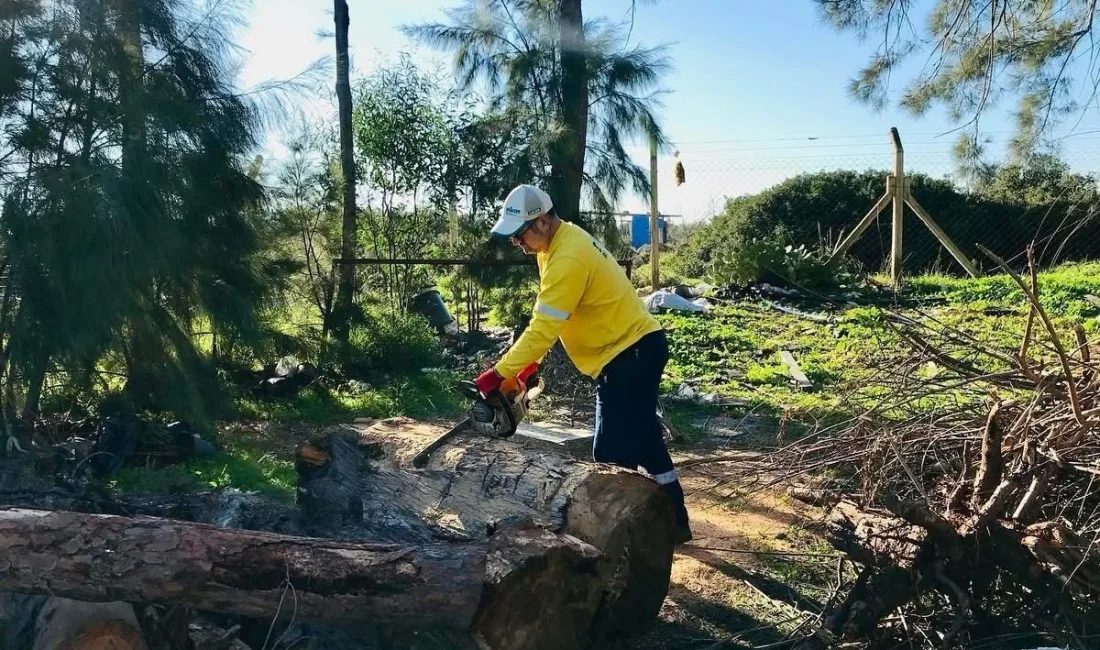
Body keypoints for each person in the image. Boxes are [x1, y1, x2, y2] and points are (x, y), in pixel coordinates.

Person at [473, 184, 692, 544]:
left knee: (609, 456)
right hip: (635, 349)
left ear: (542, 222)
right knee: (646, 439)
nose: (517, 243)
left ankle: (619, 542)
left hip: (629, 355)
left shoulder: (567, 257)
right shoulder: (556, 245)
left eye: (519, 234)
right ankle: (675, 524)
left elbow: (544, 327)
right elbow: (553, 317)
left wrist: (500, 374)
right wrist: (529, 366)